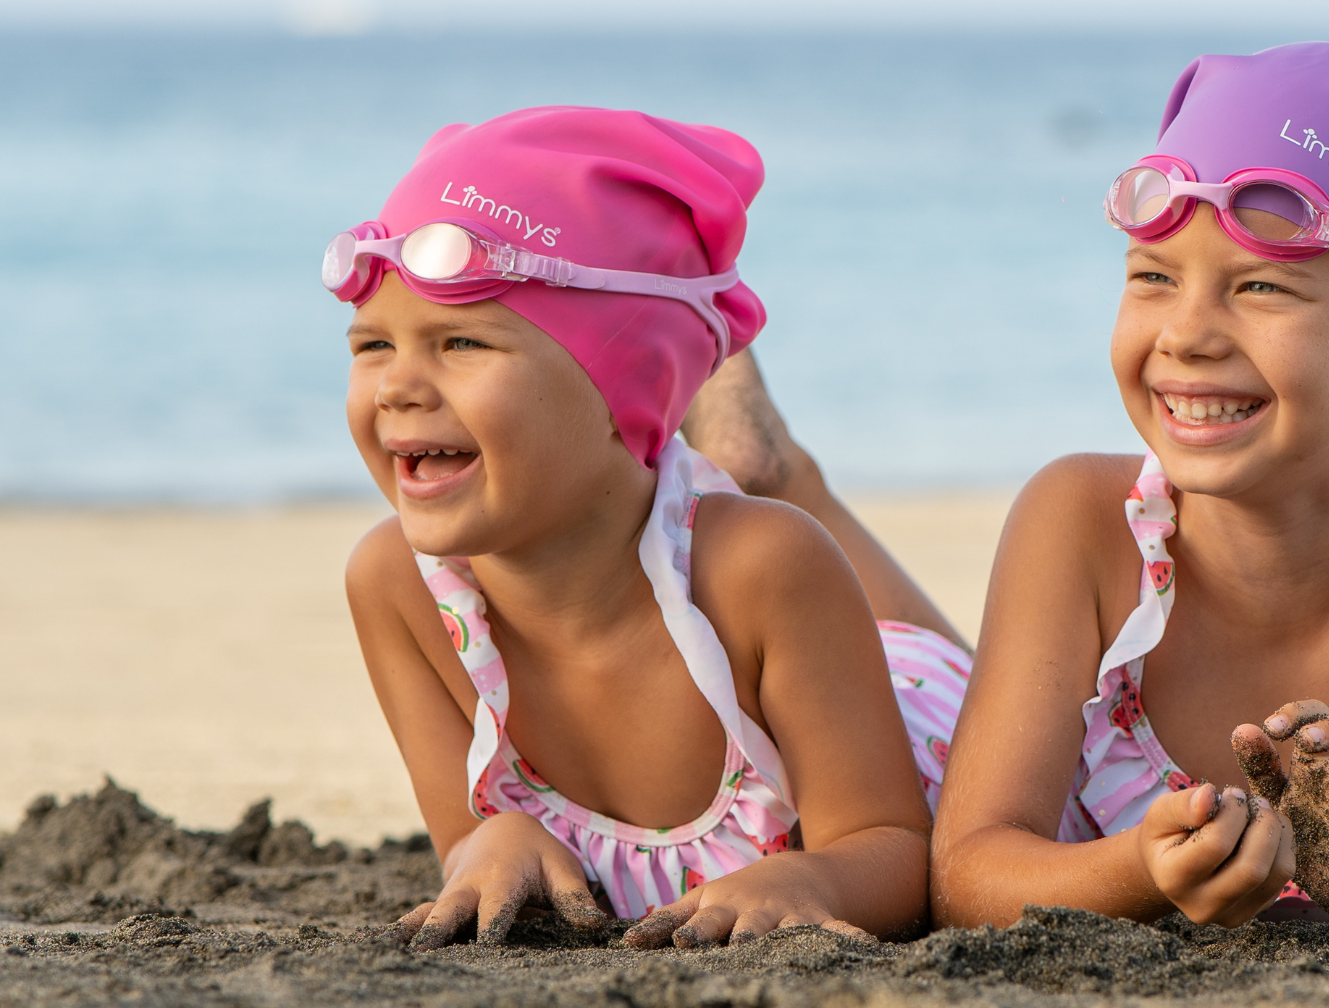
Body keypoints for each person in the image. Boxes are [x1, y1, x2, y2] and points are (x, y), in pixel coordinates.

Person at [915, 44, 1329, 945]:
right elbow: (966, 873)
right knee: (913, 668)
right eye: (1152, 277)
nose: (1186, 334)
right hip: (930, 687)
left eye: (1262, 286)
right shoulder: (1080, 520)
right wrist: (1144, 868)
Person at [333, 107, 967, 951]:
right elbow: (465, 840)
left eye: (460, 341)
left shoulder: (769, 566)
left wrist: (808, 875)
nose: (397, 388)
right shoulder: (398, 585)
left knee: (847, 577)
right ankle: (737, 435)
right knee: (763, 502)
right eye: (372, 344)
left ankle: (749, 444)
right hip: (787, 642)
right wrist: (494, 839)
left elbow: (896, 851)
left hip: (915, 707)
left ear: (620, 384)